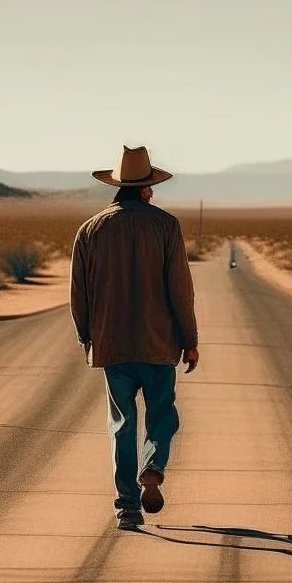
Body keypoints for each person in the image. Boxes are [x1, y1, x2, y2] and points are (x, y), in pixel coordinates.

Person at [70, 145, 199, 530]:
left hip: (113, 345)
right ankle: (154, 466)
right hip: (159, 344)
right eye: (151, 187)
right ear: (145, 189)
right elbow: (181, 290)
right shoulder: (165, 226)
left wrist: (86, 337)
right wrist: (189, 339)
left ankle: (127, 507)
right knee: (163, 415)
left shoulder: (91, 229)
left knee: (122, 423)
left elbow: (79, 292)